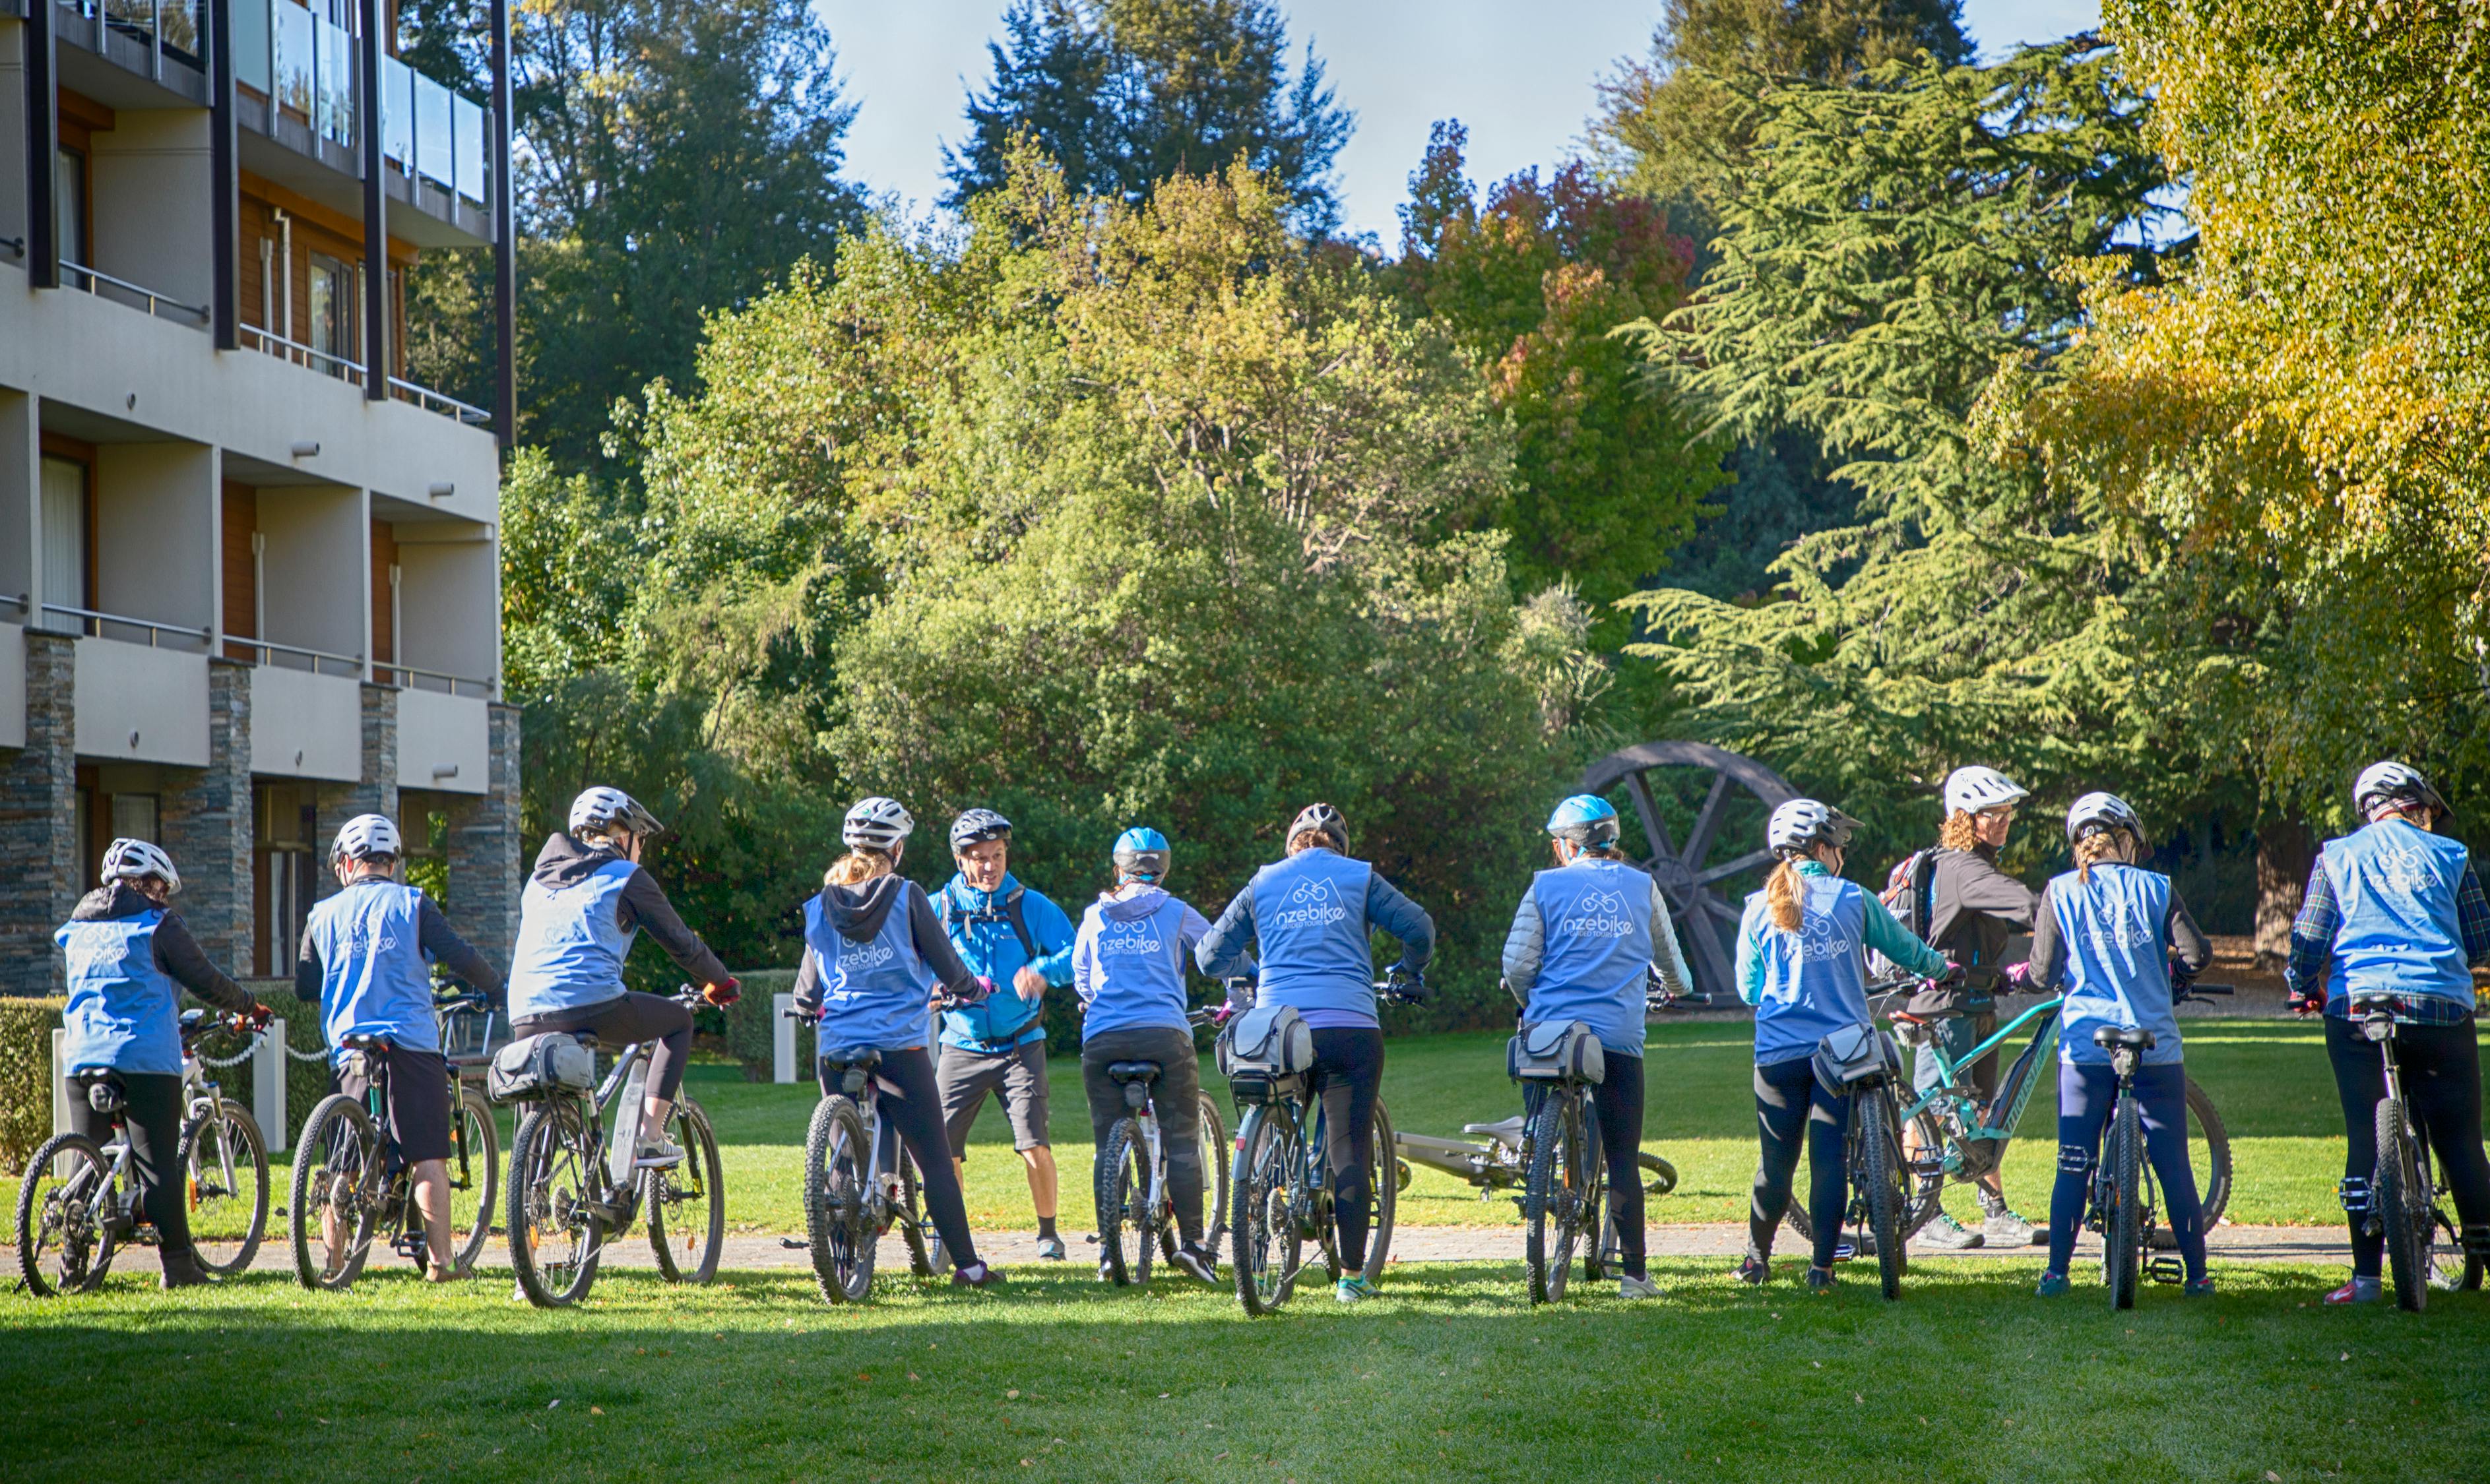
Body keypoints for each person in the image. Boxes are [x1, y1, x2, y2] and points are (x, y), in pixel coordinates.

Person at [1197, 801, 1435, 1303]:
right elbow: (1419, 929)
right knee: (1350, 1149)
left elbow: (1209, 955)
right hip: (1350, 1026)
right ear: (1343, 848)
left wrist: (1258, 970)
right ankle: (1351, 1278)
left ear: (1291, 844)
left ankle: (1263, 1248)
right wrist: (1408, 971)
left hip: (1280, 1030)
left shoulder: (1263, 882)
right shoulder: (1360, 878)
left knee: (1277, 1126)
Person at [2284, 761, 2490, 1305]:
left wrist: (2302, 984)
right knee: (2462, 1140)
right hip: (2440, 1010)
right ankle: (2485, 1249)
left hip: (2358, 1008)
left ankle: (2368, 1279)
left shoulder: (2336, 855)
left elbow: (2309, 937)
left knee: (2363, 1136)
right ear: (2414, 805)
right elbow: (2482, 938)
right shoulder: (2452, 855)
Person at [1737, 799, 1950, 1293]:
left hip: (1778, 1055)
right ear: (1820, 847)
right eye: (1839, 846)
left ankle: (1755, 1260)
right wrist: (1945, 970)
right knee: (1828, 1160)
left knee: (1776, 1165)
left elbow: (1750, 990)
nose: (1843, 856)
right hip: (1843, 1055)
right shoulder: (1853, 899)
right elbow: (1906, 951)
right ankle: (1821, 1270)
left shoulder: (1757, 906)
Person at [794, 796, 1007, 1289]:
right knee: (934, 1160)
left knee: (844, 1154)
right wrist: (973, 990)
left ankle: (840, 1241)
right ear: (897, 848)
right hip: (899, 1049)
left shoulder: (821, 903)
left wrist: (808, 1011)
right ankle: (970, 1269)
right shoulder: (906, 894)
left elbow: (808, 990)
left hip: (838, 1047)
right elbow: (948, 965)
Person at [295, 814, 509, 1280]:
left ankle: (333, 1264)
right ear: (391, 863)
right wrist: (495, 988)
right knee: (427, 1153)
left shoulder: (321, 915)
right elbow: (459, 954)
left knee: (343, 1160)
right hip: (410, 1042)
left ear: (347, 864)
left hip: (351, 1046)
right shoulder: (413, 905)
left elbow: (305, 985)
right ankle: (441, 1263)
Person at [1500, 795, 1697, 1300]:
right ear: (1611, 841)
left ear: (1568, 847)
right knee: (1623, 1155)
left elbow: (1518, 966)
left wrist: (1533, 1003)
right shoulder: (1642, 886)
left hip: (1552, 1036)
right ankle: (1634, 1276)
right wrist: (1677, 989)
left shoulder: (1545, 887)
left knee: (1542, 1114)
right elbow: (1670, 961)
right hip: (1618, 1039)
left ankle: (1539, 1158)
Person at [55, 838, 269, 1289]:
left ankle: (70, 1266)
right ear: (149, 884)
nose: (165, 898)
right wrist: (247, 1004)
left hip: (80, 1055)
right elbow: (205, 979)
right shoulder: (159, 925)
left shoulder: (77, 923)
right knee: (159, 1169)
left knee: (86, 1161)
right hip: (144, 1058)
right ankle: (179, 1268)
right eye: (163, 889)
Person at [2025, 793, 2216, 1297]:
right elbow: (2198, 954)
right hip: (2154, 1041)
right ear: (2126, 840)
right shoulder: (2157, 888)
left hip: (2086, 1046)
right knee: (2173, 1159)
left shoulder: (2059, 890)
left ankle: (2057, 1274)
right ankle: (2197, 1277)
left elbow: (2042, 972)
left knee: (2073, 1159)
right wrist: (2174, 974)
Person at [506, 787, 740, 1172]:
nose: (642, 849)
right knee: (679, 1023)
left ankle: (531, 1198)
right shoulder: (625, 876)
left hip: (525, 1012)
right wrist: (720, 981)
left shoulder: (536, 882)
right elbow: (681, 942)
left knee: (546, 1106)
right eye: (641, 839)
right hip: (592, 1006)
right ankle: (649, 1139)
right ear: (622, 835)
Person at [1898, 764, 2045, 1251]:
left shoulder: (1976, 864)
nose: (2003, 821)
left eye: (2007, 812)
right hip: (1945, 1007)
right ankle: (1923, 1215)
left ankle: (1996, 1214)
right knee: (1933, 1111)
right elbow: (2023, 904)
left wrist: (2004, 977)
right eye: (1992, 813)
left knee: (1983, 1114)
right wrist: (2069, 912)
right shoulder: (1963, 867)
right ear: (1966, 817)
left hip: (1977, 1003)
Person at [1071, 826, 1221, 1285]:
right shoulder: (1176, 912)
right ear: (1162, 869)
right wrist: (1245, 983)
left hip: (1104, 1039)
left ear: (1119, 869)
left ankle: (1108, 1254)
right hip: (1164, 1036)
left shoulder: (1095, 915)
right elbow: (1216, 952)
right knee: (1180, 1139)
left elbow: (1082, 977)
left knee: (1104, 1145)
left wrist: (1101, 997)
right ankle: (1195, 1246)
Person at [931, 809, 1079, 1264]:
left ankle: (1049, 1235)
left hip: (1021, 1044)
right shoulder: (940, 907)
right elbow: (913, 959)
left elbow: (1076, 953)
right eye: (979, 858)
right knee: (943, 1151)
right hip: (960, 1044)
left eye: (997, 855)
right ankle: (949, 1239)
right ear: (961, 861)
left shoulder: (1029, 905)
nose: (990, 866)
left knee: (1034, 1144)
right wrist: (931, 989)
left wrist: (1041, 970)